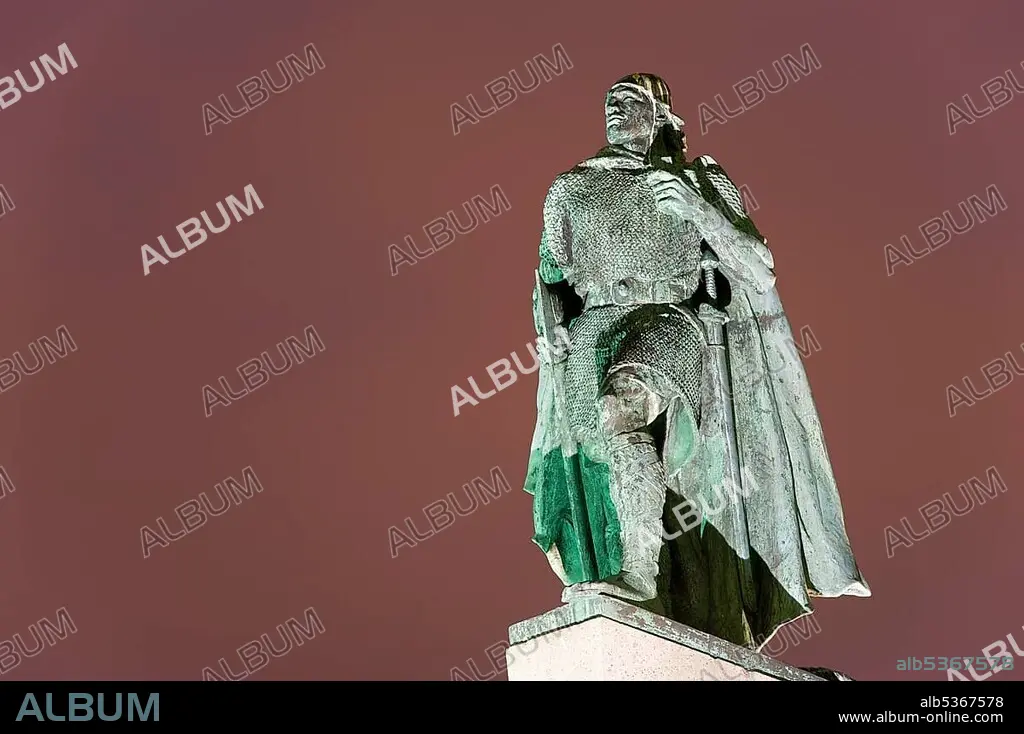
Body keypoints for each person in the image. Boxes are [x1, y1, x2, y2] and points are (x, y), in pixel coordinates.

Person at [524, 73, 869, 650]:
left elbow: (757, 267)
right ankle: (647, 575)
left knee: (622, 403)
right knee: (598, 457)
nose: (615, 111)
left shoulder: (697, 179)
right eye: (609, 103)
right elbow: (551, 278)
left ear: (660, 113)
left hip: (672, 319)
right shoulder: (570, 188)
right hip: (594, 329)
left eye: (630, 101)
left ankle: (639, 573)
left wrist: (699, 212)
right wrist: (552, 324)